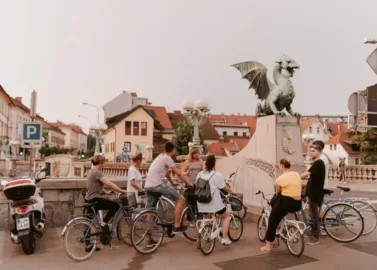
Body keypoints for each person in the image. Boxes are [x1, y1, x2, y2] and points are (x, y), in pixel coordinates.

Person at [144, 142, 192, 234]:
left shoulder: (160, 157)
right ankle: (177, 225)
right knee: (180, 199)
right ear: (173, 150)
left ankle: (147, 233)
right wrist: (188, 183)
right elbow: (178, 173)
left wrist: (172, 181)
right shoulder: (167, 158)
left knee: (150, 210)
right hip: (157, 185)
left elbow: (165, 172)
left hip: (148, 186)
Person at [85, 155, 126, 251]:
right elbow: (109, 183)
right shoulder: (97, 172)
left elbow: (94, 186)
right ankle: (104, 223)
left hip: (89, 199)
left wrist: (105, 192)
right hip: (95, 199)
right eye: (104, 163)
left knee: (88, 221)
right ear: (100, 163)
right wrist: (121, 190)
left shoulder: (90, 171)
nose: (104, 165)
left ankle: (87, 245)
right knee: (115, 205)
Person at [260, 158, 302, 252]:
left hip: (285, 203)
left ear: (282, 166)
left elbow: (278, 192)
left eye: (280, 166)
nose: (280, 167)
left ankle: (267, 247)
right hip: (297, 204)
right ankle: (280, 223)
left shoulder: (280, 178)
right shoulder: (296, 175)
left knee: (272, 221)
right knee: (280, 212)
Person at [196, 155, 235, 246]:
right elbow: (224, 187)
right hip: (213, 203)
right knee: (226, 216)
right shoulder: (216, 175)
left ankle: (205, 234)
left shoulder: (199, 174)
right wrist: (232, 191)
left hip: (201, 202)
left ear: (205, 163)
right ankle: (224, 238)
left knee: (206, 217)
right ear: (214, 164)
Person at [301, 144, 326, 245]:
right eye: (310, 151)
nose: (311, 152)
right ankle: (312, 231)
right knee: (313, 214)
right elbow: (313, 178)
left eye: (313, 151)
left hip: (315, 194)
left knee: (315, 215)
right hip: (312, 192)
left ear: (319, 152)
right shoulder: (317, 163)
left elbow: (307, 174)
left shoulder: (318, 162)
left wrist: (294, 177)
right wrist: (305, 184)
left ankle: (315, 237)